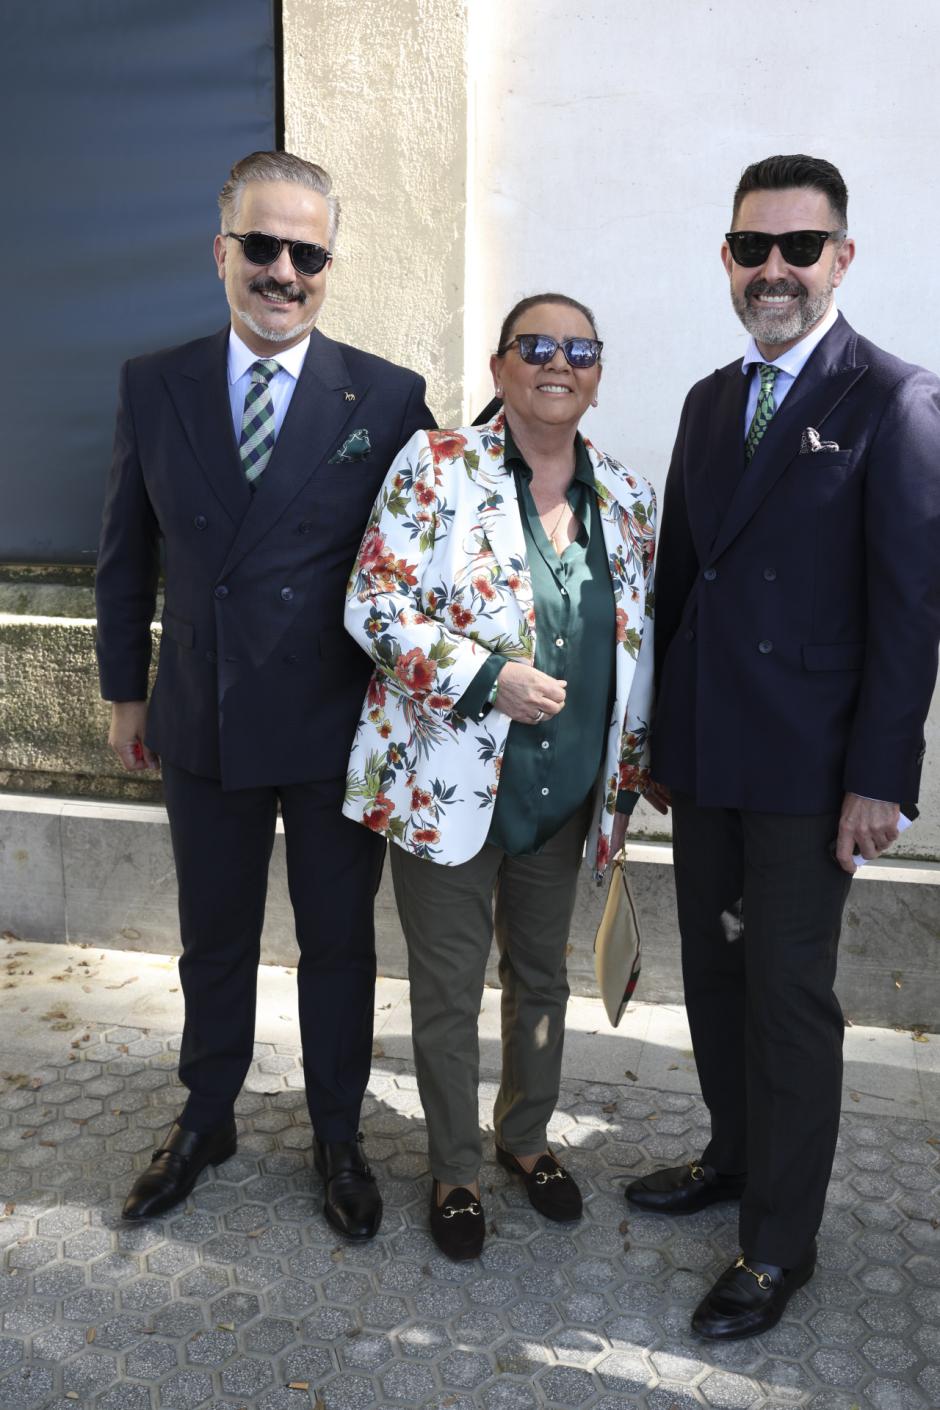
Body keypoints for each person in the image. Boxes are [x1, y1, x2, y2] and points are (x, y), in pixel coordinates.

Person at [628, 154, 940, 1339]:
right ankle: (732, 1156)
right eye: (752, 247)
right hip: (707, 757)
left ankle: (777, 1247)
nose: (774, 270)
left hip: (814, 774)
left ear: (840, 259)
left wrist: (881, 778)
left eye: (798, 248)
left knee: (786, 995)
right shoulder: (712, 398)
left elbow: (910, 611)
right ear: (725, 258)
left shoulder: (895, 401)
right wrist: (658, 738)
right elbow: (678, 588)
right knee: (711, 975)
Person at [94, 150, 434, 1238]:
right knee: (213, 934)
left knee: (338, 940)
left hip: (335, 723)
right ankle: (207, 1115)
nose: (282, 271)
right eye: (262, 246)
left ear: (328, 266)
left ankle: (338, 1130)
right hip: (201, 711)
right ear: (222, 250)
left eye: (307, 253)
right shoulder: (153, 383)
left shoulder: (384, 396)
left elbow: (430, 559)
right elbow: (123, 555)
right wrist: (122, 692)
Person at [343, 294, 657, 1259]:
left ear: (597, 372)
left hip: (564, 798)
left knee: (542, 978)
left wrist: (636, 769)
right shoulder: (437, 466)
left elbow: (646, 643)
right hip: (447, 785)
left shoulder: (631, 497)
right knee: (447, 987)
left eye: (579, 349)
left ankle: (525, 1140)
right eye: (536, 346)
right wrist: (488, 678)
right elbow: (373, 603)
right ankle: (454, 1168)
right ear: (499, 366)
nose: (557, 363)